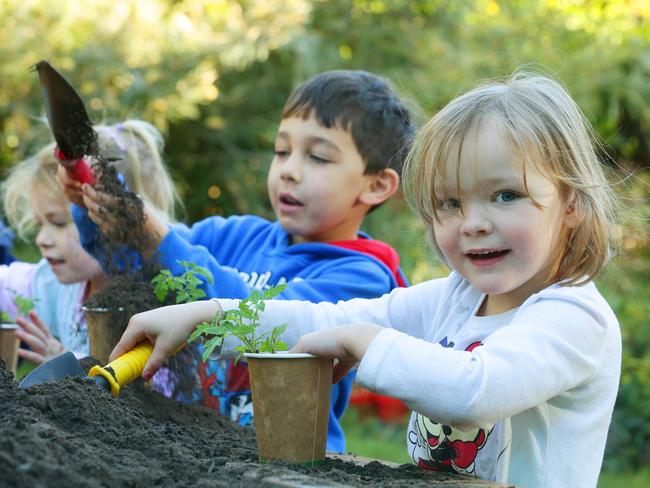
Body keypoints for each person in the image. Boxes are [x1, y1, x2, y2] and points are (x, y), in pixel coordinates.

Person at [111, 72, 622, 488]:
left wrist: (364, 342)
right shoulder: (457, 297)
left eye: (505, 195)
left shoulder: (573, 315)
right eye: (450, 203)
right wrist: (207, 315)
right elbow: (325, 319)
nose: (473, 223)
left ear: (572, 200)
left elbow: (476, 391)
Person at [60, 70, 415, 453]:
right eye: (282, 151)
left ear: (375, 185)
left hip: (284, 463)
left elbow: (263, 322)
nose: (289, 170)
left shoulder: (362, 278)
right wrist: (96, 203)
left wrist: (153, 233)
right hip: (189, 448)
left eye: (317, 157)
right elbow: (134, 265)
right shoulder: (230, 235)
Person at [0, 120, 179, 364]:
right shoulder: (63, 283)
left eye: (59, 223)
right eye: (41, 224)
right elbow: (7, 285)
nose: (42, 240)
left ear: (115, 218)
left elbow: (153, 386)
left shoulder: (150, 299)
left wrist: (69, 364)